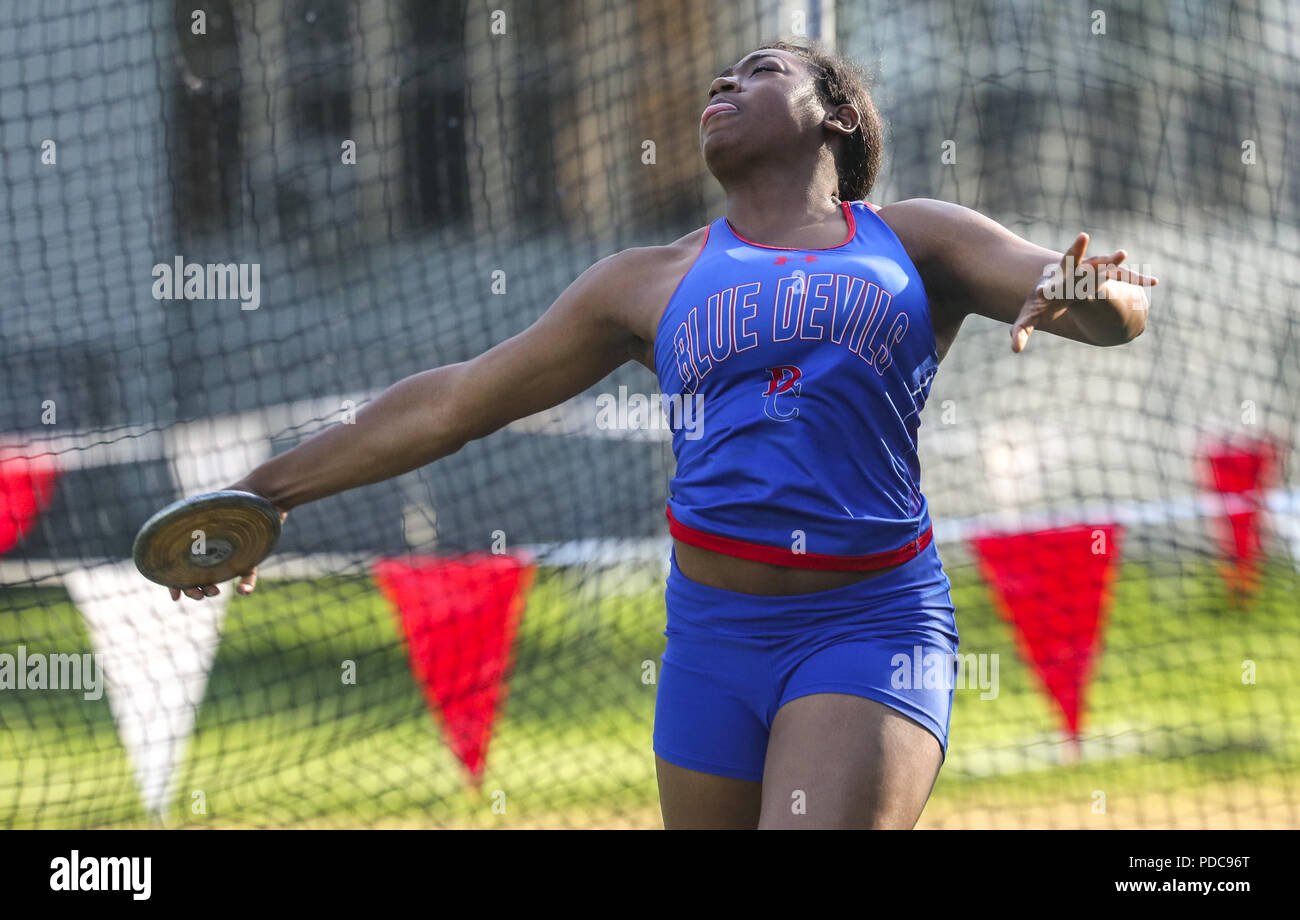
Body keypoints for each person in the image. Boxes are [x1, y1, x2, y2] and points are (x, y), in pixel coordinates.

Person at [164, 39, 1156, 829]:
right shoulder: (644, 280)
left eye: (762, 71)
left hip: (868, 625)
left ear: (838, 117)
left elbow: (1101, 302)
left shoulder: (912, 238)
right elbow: (454, 400)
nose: (725, 80)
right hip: (710, 643)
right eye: (722, 75)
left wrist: (1085, 290)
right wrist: (265, 491)